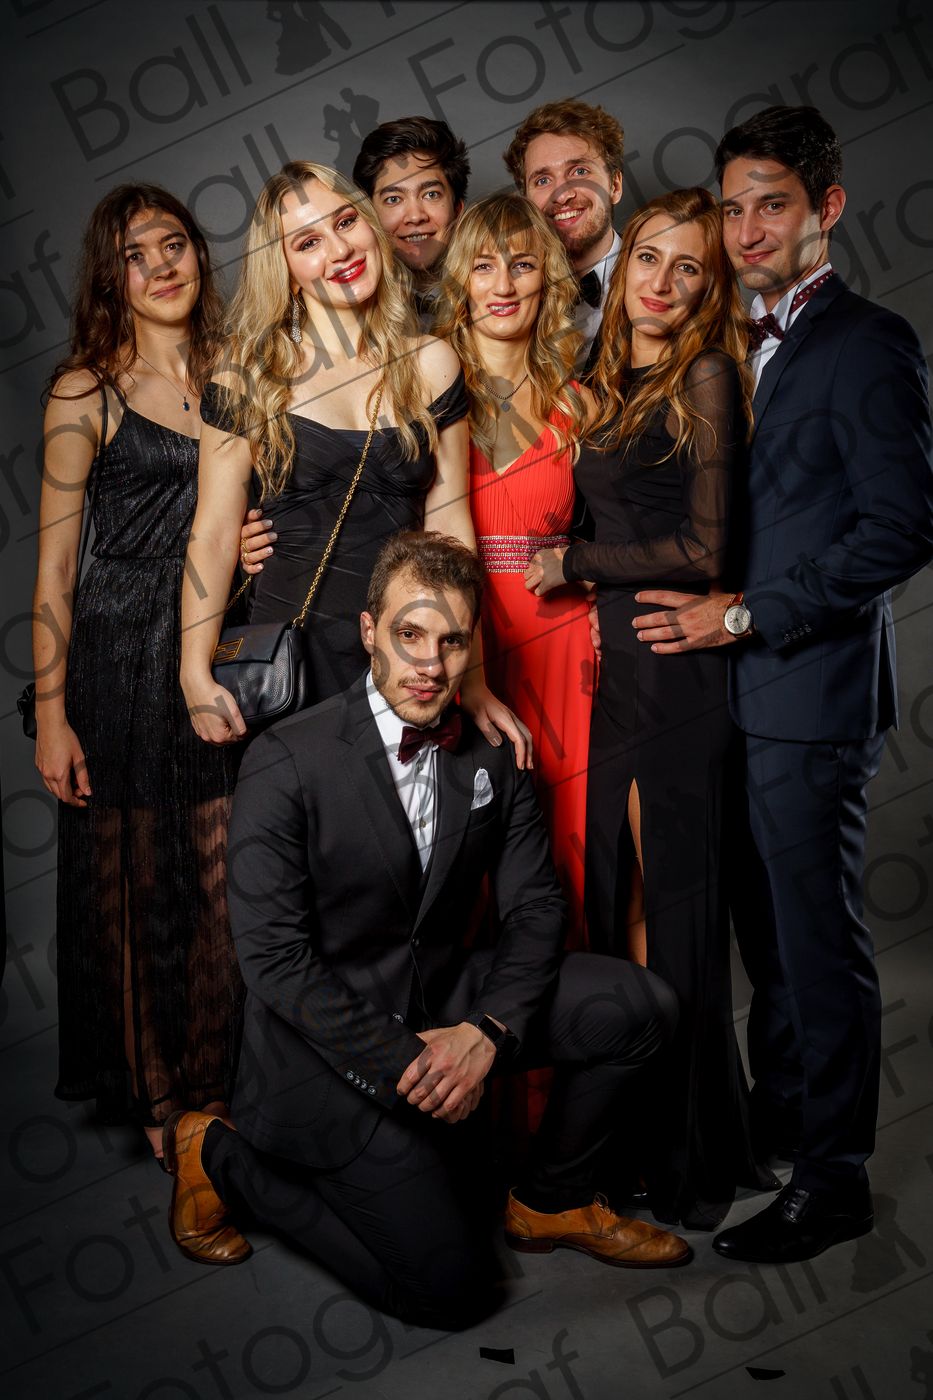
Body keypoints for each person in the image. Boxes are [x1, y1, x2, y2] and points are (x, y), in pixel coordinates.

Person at [163, 532, 690, 1329]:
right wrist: (409, 1062)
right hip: (328, 1050)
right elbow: (274, 962)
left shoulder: (491, 752)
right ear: (368, 630)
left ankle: (550, 1200)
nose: (429, 664)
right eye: (409, 634)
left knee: (641, 1005)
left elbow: (536, 910)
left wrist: (487, 1030)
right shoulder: (287, 758)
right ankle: (218, 1157)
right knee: (450, 1293)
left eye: (450, 641)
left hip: (448, 1000)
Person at [631, 106, 933, 1262]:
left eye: (774, 204)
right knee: (767, 942)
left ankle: (834, 1179)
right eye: (734, 207)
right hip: (731, 696)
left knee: (815, 942)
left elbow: (902, 526)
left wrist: (747, 613)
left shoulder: (869, 341)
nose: (748, 228)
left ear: (826, 210)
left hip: (810, 692)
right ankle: (778, 1127)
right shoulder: (728, 337)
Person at [526, 186, 774, 1230]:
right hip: (612, 671)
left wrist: (574, 563)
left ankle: (687, 1156)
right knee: (622, 909)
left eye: (689, 268)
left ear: (709, 287)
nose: (663, 283)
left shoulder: (705, 374)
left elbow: (706, 548)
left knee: (673, 914)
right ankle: (631, 1137)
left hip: (676, 673)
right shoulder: (597, 378)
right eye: (649, 260)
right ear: (622, 266)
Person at [180, 160, 526, 759]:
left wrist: (472, 676)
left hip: (409, 656)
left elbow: (451, 530)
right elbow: (211, 532)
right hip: (289, 657)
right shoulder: (248, 374)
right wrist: (193, 670)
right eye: (308, 242)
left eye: (345, 222)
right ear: (285, 271)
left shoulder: (433, 363)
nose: (339, 250)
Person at [31, 185, 242, 1163]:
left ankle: (217, 1081)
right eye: (135, 254)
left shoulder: (238, 369)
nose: (161, 265)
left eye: (174, 244)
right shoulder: (87, 390)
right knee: (141, 883)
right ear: (110, 279)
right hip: (118, 655)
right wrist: (51, 714)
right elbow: (54, 569)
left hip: (211, 647)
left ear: (198, 253)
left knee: (220, 875)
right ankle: (160, 1099)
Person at [434, 192, 592, 940]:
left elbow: (620, 528)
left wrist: (598, 587)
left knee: (568, 834)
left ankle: (577, 1003)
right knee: (467, 848)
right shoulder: (424, 388)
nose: (502, 285)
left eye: (522, 265)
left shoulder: (580, 403)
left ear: (546, 281)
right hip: (456, 632)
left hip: (561, 639)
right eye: (484, 266)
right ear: (460, 280)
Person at [503, 99, 624, 365]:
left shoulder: (660, 285)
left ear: (615, 186)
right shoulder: (503, 291)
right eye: (543, 180)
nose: (562, 195)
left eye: (579, 171)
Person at [353, 115, 470, 323]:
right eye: (393, 199)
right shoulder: (352, 314)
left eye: (431, 194)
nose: (415, 217)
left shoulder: (496, 296)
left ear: (458, 209)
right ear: (369, 215)